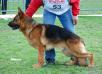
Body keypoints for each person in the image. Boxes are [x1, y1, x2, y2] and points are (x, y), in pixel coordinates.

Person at [25, 0, 80, 64]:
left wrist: (75, 14)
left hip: (65, 11)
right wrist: (26, 17)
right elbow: (34, 4)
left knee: (71, 33)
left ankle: (75, 58)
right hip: (49, 11)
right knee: (47, 35)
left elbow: (75, 1)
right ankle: (50, 59)